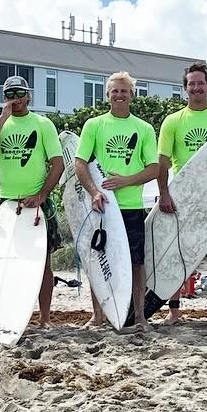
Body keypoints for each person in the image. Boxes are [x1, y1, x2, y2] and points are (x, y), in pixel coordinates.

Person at [74, 71, 159, 332]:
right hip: (104, 208)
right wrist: (94, 192)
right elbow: (80, 163)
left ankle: (140, 316)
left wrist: (127, 180)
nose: (119, 95)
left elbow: (154, 168)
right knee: (99, 261)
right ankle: (98, 316)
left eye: (124, 91)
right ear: (107, 95)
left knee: (136, 263)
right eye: (115, 91)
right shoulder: (94, 125)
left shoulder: (143, 128)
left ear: (132, 95)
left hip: (132, 206)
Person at [0, 74, 64, 328]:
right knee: (6, 263)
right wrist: (4, 117)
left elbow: (57, 164)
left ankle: (45, 317)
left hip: (37, 202)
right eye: (10, 95)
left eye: (19, 94)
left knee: (42, 264)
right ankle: (9, 315)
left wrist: (42, 195)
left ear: (29, 96)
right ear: (4, 98)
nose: (15, 100)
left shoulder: (43, 123)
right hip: (6, 203)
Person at [155, 62, 207, 325]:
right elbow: (163, 163)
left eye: (200, 83)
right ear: (185, 88)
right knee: (177, 255)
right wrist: (164, 194)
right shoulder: (173, 121)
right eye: (191, 84)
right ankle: (174, 311)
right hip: (185, 198)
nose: (196, 88)